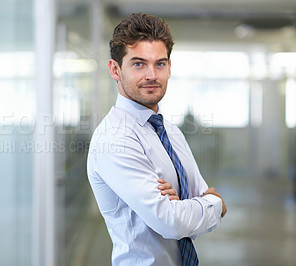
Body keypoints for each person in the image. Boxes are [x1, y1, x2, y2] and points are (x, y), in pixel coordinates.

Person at [87, 13, 227, 266]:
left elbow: (193, 218)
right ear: (115, 69)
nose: (152, 75)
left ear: (169, 68)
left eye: (160, 64)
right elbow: (171, 222)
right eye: (139, 64)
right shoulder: (115, 138)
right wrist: (214, 204)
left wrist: (190, 205)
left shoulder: (170, 131)